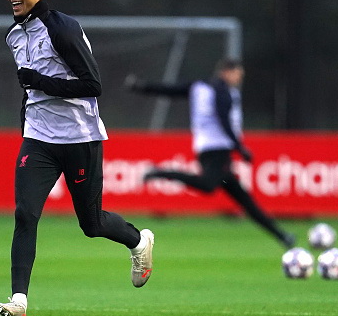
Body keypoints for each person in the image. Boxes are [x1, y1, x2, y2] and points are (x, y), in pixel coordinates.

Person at [0, 0, 154, 316]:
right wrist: (27, 121)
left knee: (91, 224)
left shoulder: (62, 29)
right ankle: (19, 305)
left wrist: (40, 82)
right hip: (39, 140)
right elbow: (30, 91)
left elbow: (92, 85)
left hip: (80, 138)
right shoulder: (13, 36)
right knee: (25, 214)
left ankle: (138, 241)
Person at [125, 59, 295, 250]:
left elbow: (170, 90)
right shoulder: (224, 91)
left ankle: (282, 236)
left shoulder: (198, 87)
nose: (239, 78)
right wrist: (240, 147)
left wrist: (141, 86)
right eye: (238, 74)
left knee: (244, 200)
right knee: (208, 185)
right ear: (227, 72)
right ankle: (160, 172)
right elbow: (224, 119)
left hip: (207, 149)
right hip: (218, 151)